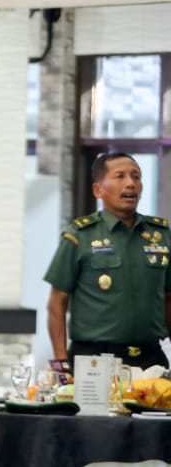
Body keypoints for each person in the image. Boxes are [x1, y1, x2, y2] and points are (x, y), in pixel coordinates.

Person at [46, 152, 171, 368]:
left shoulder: (161, 235)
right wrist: (61, 364)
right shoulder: (79, 236)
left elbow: (169, 299)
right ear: (98, 190)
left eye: (136, 177)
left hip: (150, 358)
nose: (130, 183)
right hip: (94, 359)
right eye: (120, 176)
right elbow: (57, 304)